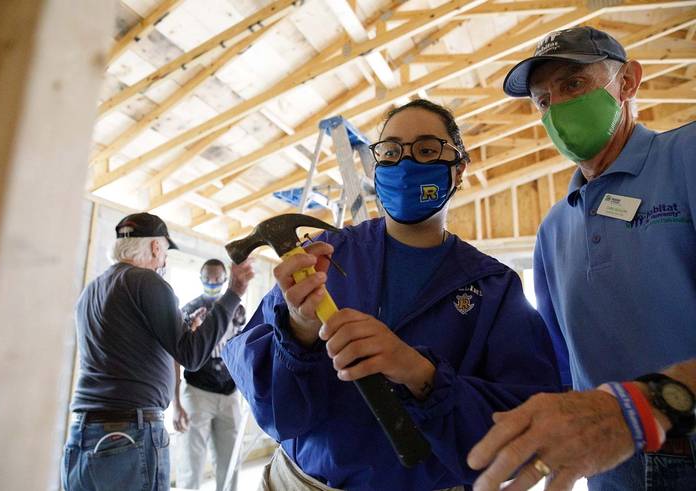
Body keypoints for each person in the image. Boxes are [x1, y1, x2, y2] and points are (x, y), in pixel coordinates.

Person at [222, 99, 562, 490]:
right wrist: (297, 331)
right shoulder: (321, 259)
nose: (406, 164)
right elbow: (275, 411)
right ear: (377, 164)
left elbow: (527, 421)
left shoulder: (492, 286)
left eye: (427, 150)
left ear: (459, 168)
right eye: (391, 151)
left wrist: (423, 376)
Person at [467, 27, 696, 491]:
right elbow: (559, 365)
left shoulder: (685, 158)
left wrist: (647, 406)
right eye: (543, 100)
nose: (558, 110)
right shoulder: (554, 229)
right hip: (612, 465)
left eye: (573, 85)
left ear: (628, 81)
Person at [61, 212, 253, 491]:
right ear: (155, 247)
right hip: (128, 434)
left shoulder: (92, 290)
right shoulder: (147, 281)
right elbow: (192, 356)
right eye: (164, 253)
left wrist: (188, 330)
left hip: (84, 433)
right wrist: (235, 291)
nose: (163, 262)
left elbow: (124, 349)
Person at [173, 259, 250, 491]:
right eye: (208, 278)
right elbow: (176, 356)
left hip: (229, 394)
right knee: (191, 462)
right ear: (200, 277)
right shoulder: (190, 310)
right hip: (197, 392)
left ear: (226, 279)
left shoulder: (238, 310)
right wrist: (176, 403)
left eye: (218, 279)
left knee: (230, 463)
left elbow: (240, 349)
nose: (213, 283)